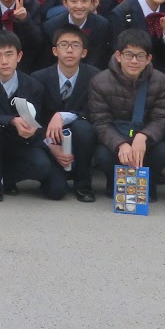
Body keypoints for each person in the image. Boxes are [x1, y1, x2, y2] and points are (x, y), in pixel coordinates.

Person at [0, 31, 63, 201]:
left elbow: (37, 122)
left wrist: (32, 131)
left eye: (9, 54)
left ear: (19, 56)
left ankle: (5, 178)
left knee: (44, 169)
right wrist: (11, 120)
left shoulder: (33, 86)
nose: (4, 61)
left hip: (18, 143)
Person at [88, 29, 165, 195]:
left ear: (148, 59)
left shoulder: (161, 81)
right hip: (116, 136)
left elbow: (162, 118)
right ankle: (114, 182)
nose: (134, 61)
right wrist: (120, 144)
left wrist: (143, 136)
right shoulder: (99, 82)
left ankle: (148, 183)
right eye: (128, 55)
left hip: (145, 139)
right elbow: (100, 122)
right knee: (102, 155)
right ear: (118, 56)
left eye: (140, 56)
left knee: (162, 151)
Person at [30, 24, 100, 202]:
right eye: (64, 45)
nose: (69, 50)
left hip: (80, 139)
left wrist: (62, 115)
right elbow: (32, 120)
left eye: (75, 45)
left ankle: (83, 183)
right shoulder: (38, 78)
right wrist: (49, 145)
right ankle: (54, 175)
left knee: (84, 128)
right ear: (55, 51)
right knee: (56, 192)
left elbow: (95, 112)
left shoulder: (95, 77)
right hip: (49, 141)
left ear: (84, 52)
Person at [50, 0, 112, 71]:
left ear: (92, 2)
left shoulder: (102, 25)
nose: (79, 6)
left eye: (84, 1)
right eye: (74, 1)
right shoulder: (52, 26)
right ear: (65, 2)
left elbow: (100, 58)